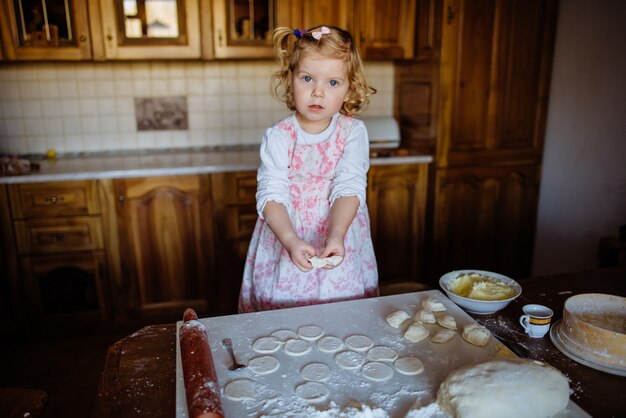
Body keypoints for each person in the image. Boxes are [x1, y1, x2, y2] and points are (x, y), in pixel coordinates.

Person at [238, 25, 378, 313]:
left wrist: (336, 234)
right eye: (307, 78)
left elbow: (349, 186)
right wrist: (289, 240)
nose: (318, 92)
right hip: (286, 234)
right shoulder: (279, 136)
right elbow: (272, 192)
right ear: (290, 80)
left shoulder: (353, 133)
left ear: (349, 87)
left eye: (333, 83)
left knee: (343, 315)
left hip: (340, 232)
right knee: (283, 319)